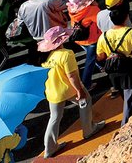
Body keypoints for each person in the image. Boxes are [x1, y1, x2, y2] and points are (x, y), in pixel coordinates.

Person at [40, 25, 104, 157]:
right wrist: (79, 90)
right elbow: (72, 76)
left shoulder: (47, 57)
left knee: (55, 117)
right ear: (62, 40)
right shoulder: (66, 54)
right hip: (68, 89)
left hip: (52, 91)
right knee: (86, 102)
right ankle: (89, 130)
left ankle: (49, 148)